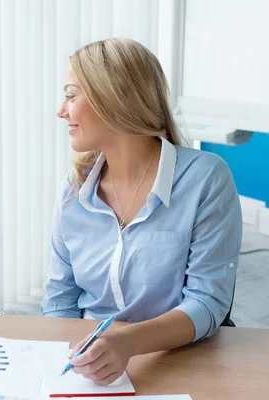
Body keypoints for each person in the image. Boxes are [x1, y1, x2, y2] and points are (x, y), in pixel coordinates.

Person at [41, 38, 242, 385]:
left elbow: (208, 303)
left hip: (179, 359)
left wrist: (126, 343)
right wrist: (71, 365)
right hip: (88, 367)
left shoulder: (205, 179)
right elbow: (59, 298)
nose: (62, 111)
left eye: (71, 96)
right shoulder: (74, 189)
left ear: (112, 98)